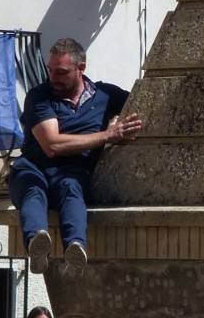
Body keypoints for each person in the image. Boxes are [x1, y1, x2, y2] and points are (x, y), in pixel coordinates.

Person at [8, 38, 142, 274]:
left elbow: (144, 107)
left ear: (81, 69)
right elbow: (52, 144)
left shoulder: (107, 95)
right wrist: (107, 135)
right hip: (34, 166)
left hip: (72, 171)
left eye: (61, 72)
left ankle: (76, 247)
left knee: (72, 189)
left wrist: (120, 122)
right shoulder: (39, 97)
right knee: (32, 190)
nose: (54, 78)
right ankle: (37, 242)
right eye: (51, 70)